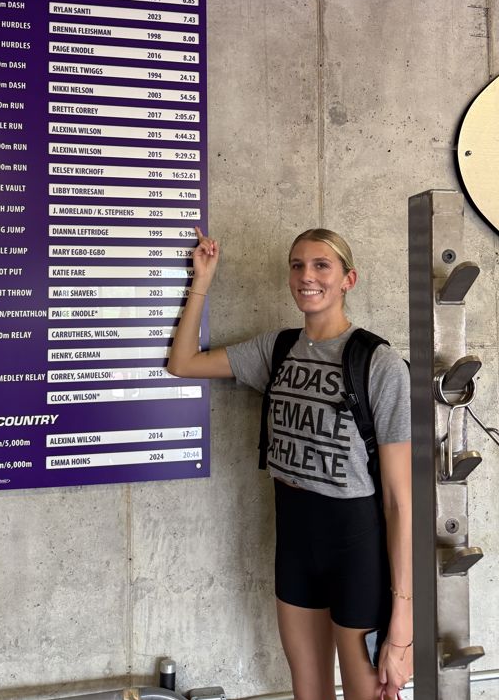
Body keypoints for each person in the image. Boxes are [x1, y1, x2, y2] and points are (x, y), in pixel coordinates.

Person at [168, 227, 412, 700]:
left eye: (322, 265)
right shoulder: (276, 350)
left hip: (355, 544)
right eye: (297, 265)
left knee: (369, 694)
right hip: (295, 537)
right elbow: (182, 363)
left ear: (348, 280)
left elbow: (400, 501)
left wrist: (402, 622)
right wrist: (202, 281)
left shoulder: (378, 363)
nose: (307, 276)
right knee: (308, 692)